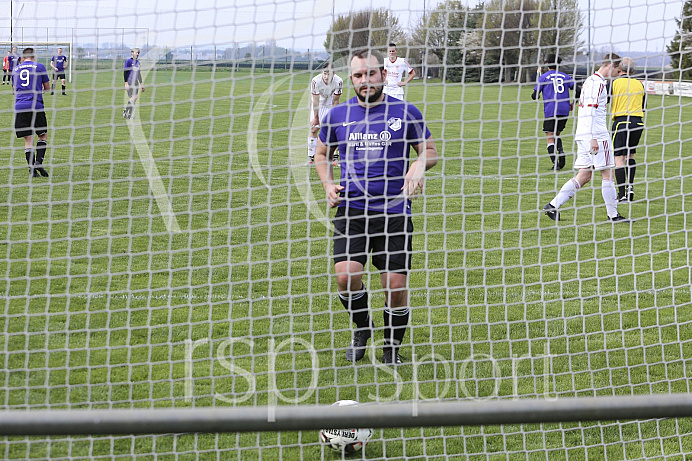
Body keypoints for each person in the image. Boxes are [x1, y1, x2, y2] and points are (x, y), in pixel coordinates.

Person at [314, 48, 438, 365]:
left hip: (394, 213)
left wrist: (418, 166)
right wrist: (328, 184)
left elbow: (431, 151)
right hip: (352, 210)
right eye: (358, 75)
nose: (365, 80)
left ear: (382, 75)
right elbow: (321, 155)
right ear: (352, 79)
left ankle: (391, 348)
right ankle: (362, 328)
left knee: (395, 288)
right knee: (345, 278)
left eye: (371, 73)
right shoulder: (337, 116)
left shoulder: (406, 112)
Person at [543, 53, 628, 223]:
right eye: (617, 70)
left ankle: (552, 206)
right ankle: (613, 215)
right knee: (608, 173)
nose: (617, 74)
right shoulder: (598, 84)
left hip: (582, 134)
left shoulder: (589, 81)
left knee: (584, 175)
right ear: (610, 66)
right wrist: (593, 138)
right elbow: (590, 110)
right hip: (595, 134)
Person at [532, 54, 576, 171]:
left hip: (551, 109)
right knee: (556, 134)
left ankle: (555, 163)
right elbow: (578, 89)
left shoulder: (544, 77)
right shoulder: (565, 76)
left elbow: (534, 96)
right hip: (564, 110)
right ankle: (560, 150)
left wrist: (538, 91)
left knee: (550, 137)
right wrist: (573, 103)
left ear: (547, 64)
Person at [611, 57, 646, 202]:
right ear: (633, 70)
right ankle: (630, 188)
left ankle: (622, 194)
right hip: (637, 123)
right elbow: (643, 105)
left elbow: (606, 99)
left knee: (619, 158)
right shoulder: (640, 84)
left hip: (621, 122)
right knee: (630, 155)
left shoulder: (615, 82)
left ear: (620, 69)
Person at [12, 47, 51, 178]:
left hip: (20, 106)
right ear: (34, 57)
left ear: (22, 58)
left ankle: (32, 170)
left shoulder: (15, 69)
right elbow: (47, 88)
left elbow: (14, 89)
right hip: (36, 105)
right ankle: (38, 162)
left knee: (28, 140)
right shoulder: (39, 66)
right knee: (42, 135)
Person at [307, 62, 343, 165]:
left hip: (330, 104)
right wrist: (316, 117)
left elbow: (336, 101)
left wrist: (335, 115)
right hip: (318, 105)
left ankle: (335, 156)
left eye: (329, 74)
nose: (327, 76)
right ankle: (311, 156)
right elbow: (315, 101)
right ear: (322, 72)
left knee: (334, 129)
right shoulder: (315, 81)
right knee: (314, 129)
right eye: (325, 73)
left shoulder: (338, 81)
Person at [123, 48, 144, 119]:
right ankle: (125, 111)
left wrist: (141, 84)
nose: (137, 54)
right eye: (136, 53)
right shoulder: (128, 61)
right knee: (135, 97)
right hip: (130, 82)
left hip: (136, 83)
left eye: (138, 53)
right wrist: (126, 83)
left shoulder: (138, 63)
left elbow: (139, 74)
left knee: (133, 99)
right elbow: (125, 72)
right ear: (132, 53)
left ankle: (129, 115)